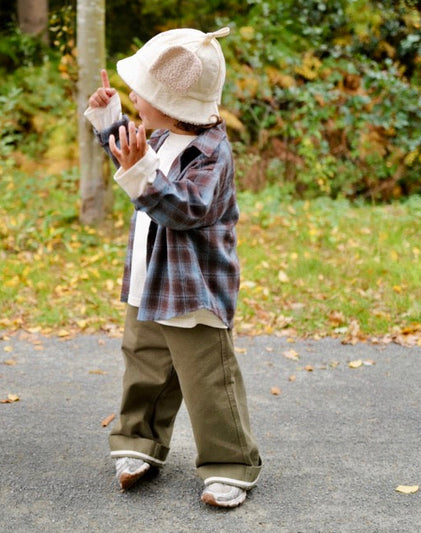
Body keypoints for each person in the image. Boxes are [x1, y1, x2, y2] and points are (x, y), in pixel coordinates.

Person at [84, 27, 262, 508]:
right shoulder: (161, 134)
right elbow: (131, 154)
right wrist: (109, 119)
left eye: (141, 92)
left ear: (174, 104)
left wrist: (139, 169)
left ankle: (230, 462)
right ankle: (137, 441)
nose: (134, 96)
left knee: (207, 379)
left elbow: (183, 208)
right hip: (150, 281)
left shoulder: (210, 155)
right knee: (144, 365)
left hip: (193, 289)